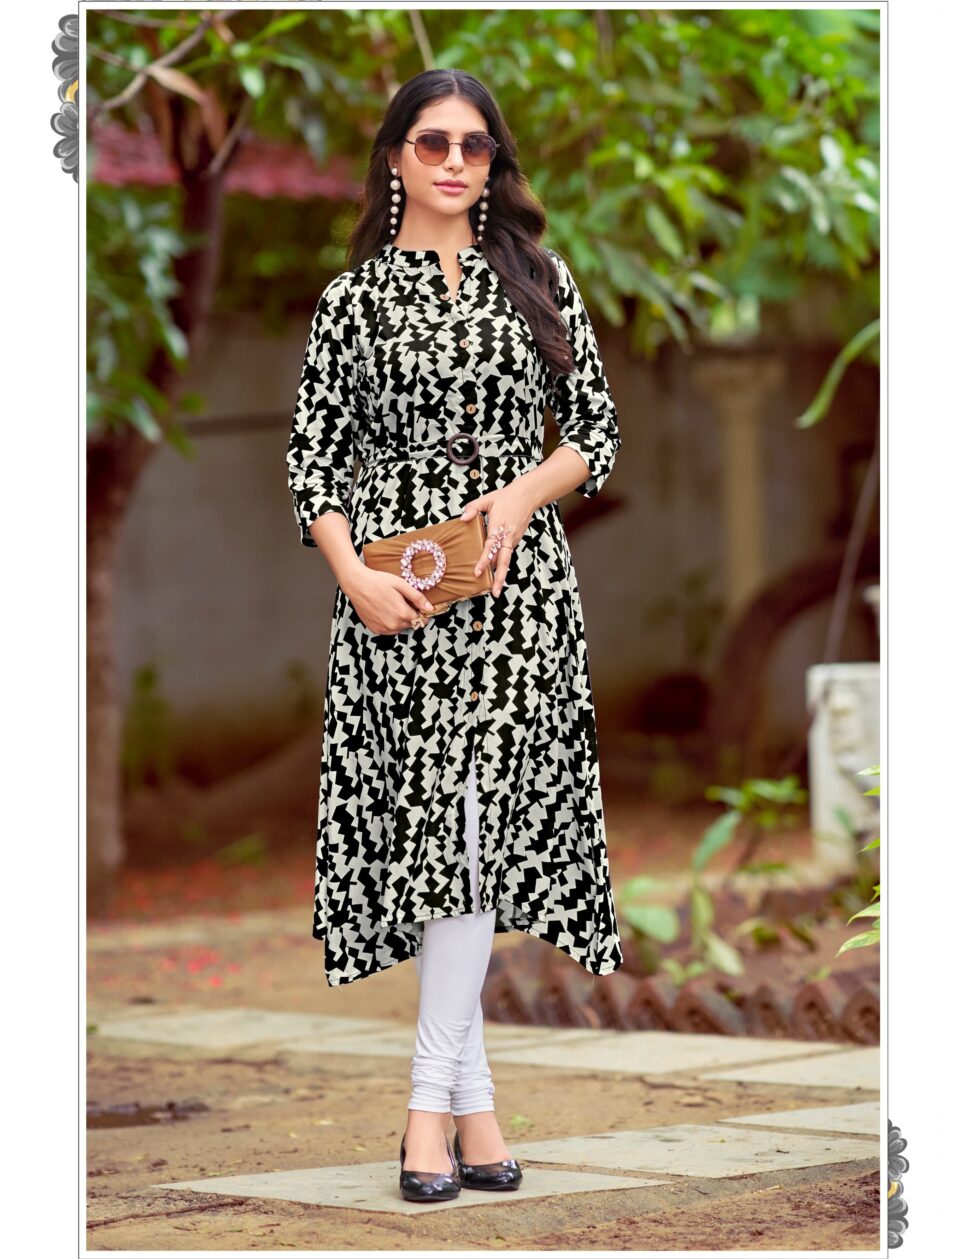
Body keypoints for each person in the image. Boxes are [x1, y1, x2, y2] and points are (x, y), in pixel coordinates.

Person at [286, 68, 624, 1203]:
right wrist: (352, 578)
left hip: (519, 602)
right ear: (394, 156)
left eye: (474, 146)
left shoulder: (539, 280)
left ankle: (425, 1111)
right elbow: (314, 463)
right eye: (430, 142)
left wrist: (520, 496)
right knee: (445, 840)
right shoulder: (350, 303)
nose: (452, 162)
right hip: (398, 604)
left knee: (475, 836)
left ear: (493, 163)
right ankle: (471, 1111)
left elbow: (594, 433)